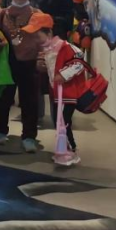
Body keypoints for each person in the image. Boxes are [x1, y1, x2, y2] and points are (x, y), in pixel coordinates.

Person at [28, 12, 86, 166]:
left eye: (37, 35)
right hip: (57, 92)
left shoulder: (65, 47)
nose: (36, 39)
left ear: (49, 33)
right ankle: (63, 150)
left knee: (64, 121)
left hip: (67, 93)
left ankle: (71, 150)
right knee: (59, 121)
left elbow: (80, 62)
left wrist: (63, 75)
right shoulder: (48, 49)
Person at [0, 0, 40, 151]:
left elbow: (45, 40)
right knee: (3, 99)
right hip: (6, 63)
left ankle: (29, 136)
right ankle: (0, 132)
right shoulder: (2, 14)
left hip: (30, 63)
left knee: (30, 101)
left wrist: (42, 60)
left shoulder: (37, 14)